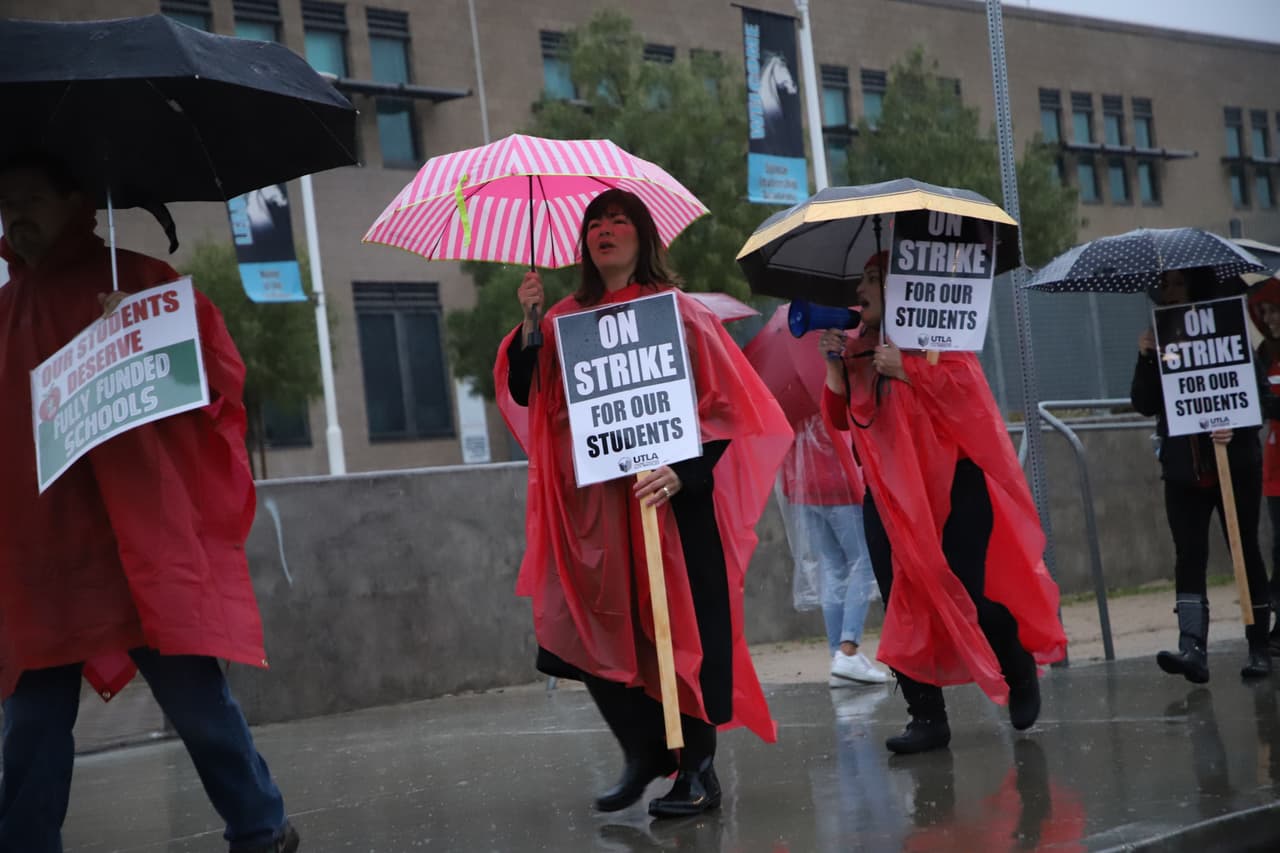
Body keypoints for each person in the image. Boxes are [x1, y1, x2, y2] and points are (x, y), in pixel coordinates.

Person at [0, 153, 298, 853]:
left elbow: (217, 376)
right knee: (33, 723)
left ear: (77, 201)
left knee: (197, 701)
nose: (17, 213)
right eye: (6, 199)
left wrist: (142, 335)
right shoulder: (5, 311)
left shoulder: (137, 284)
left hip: (138, 542)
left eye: (32, 197)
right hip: (44, 555)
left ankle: (260, 828)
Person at [494, 188, 791, 817]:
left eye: (618, 220)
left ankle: (698, 770)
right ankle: (645, 751)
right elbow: (529, 391)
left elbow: (725, 407)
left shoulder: (678, 312)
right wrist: (528, 323)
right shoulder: (562, 319)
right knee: (584, 630)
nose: (605, 230)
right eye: (595, 222)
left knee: (686, 633)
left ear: (642, 235)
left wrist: (683, 473)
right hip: (602, 512)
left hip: (672, 503)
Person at [820, 251, 1067, 755]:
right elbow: (843, 421)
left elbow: (969, 404)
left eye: (874, 279)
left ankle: (1017, 664)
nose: (861, 290)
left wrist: (910, 371)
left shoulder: (941, 341)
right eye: (862, 280)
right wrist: (834, 366)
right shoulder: (858, 348)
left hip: (954, 488)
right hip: (888, 497)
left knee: (969, 593)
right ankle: (926, 717)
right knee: (901, 603)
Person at [1131, 267, 1272, 682]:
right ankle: (1192, 648)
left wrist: (1238, 425)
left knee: (1245, 550)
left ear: (1196, 285)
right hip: (1183, 473)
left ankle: (1258, 648)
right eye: (1164, 285)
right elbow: (1142, 403)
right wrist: (1145, 357)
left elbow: (1261, 397)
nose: (1170, 292)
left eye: (1177, 283)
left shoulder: (1231, 333)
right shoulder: (1159, 340)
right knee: (1188, 556)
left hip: (1236, 466)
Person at [743, 314, 888, 687]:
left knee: (832, 569)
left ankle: (837, 656)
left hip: (802, 489)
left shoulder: (783, 381)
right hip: (841, 485)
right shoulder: (832, 362)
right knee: (863, 562)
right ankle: (849, 650)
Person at [1247, 275, 1280, 655]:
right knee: (1279, 545)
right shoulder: (1263, 356)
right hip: (1274, 466)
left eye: (1275, 310)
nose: (1270, 318)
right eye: (1264, 312)